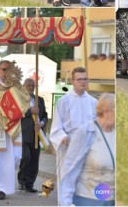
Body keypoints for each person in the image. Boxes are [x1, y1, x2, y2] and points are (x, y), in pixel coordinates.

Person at [0, 60, 31, 200]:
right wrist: (9, 98)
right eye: (3, 69)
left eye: (8, 69)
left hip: (14, 123)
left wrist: (15, 95)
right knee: (0, 157)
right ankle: (1, 188)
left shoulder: (16, 84)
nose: (5, 72)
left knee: (16, 156)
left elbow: (25, 99)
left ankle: (8, 184)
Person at [50, 67, 97, 204]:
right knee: (68, 180)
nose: (82, 82)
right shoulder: (64, 101)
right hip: (69, 144)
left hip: (88, 146)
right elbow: (57, 126)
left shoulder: (93, 102)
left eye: (84, 79)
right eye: (79, 79)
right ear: (72, 81)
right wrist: (63, 137)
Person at [59, 93, 115, 206]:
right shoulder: (86, 132)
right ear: (106, 112)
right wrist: (66, 202)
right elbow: (69, 167)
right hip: (87, 200)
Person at [17, 78, 48, 193]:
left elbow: (45, 115)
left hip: (36, 134)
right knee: (26, 157)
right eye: (28, 85)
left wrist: (42, 123)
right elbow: (17, 114)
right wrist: (30, 112)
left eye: (32, 85)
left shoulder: (39, 99)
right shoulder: (20, 99)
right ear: (24, 86)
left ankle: (30, 183)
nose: (30, 87)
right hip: (23, 134)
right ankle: (22, 181)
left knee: (34, 160)